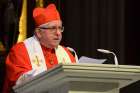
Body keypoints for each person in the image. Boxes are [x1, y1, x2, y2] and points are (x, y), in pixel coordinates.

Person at [3, 3, 78, 93]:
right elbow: (19, 82)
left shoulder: (67, 53)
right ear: (39, 32)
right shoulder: (20, 51)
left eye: (60, 28)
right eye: (53, 28)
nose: (58, 33)